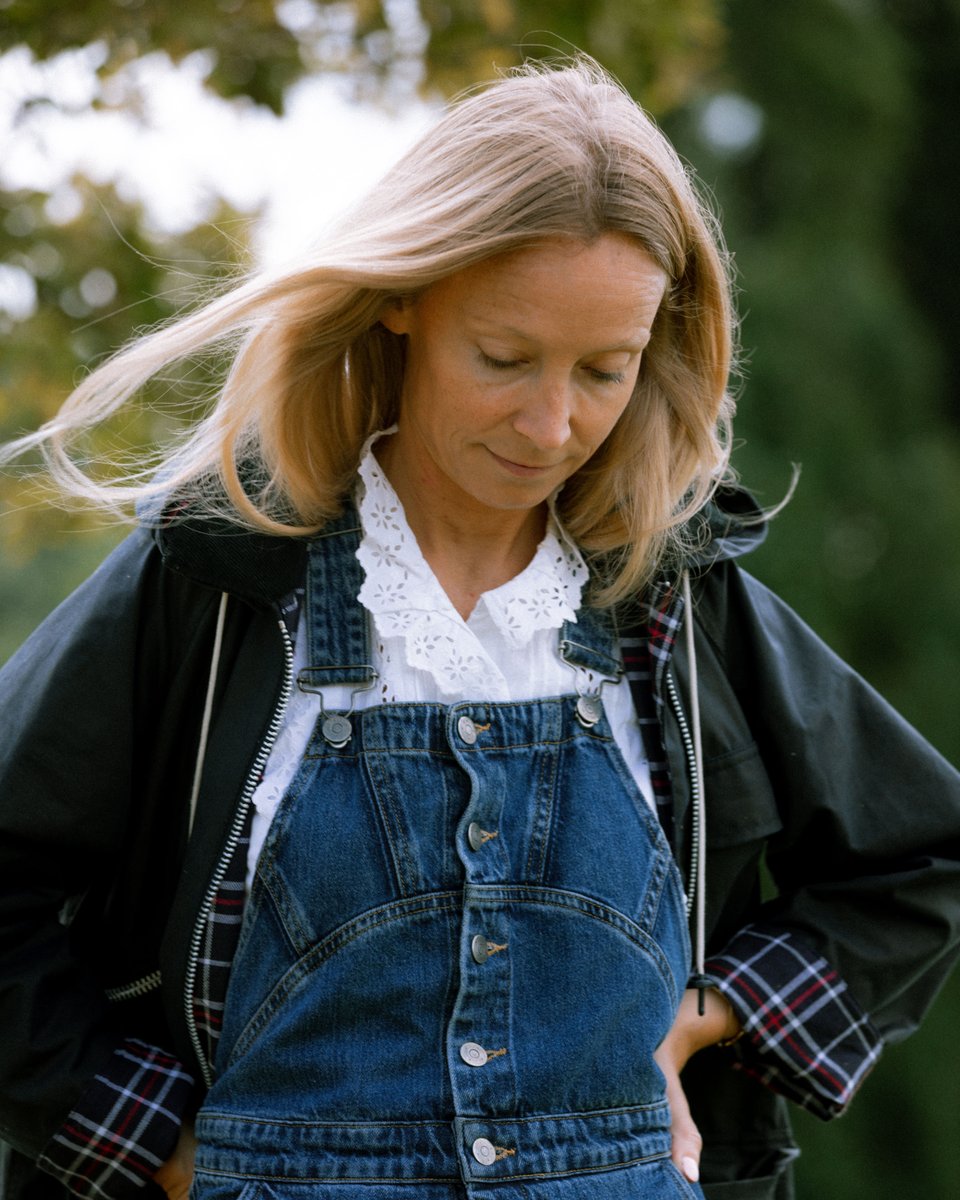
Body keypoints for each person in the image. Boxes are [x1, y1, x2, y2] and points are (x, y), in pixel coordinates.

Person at [0, 57, 958, 1200]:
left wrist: (707, 1019)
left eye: (606, 370)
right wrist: (149, 1140)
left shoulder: (673, 602)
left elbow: (921, 862)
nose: (553, 425)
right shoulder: (220, 581)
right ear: (401, 298)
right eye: (504, 359)